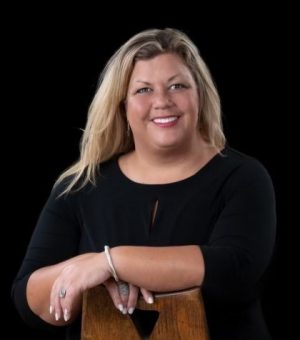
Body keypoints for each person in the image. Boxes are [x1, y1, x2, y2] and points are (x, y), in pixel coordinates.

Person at [12, 28, 276, 340]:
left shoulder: (243, 177)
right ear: (121, 106)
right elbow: (29, 301)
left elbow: (234, 269)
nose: (162, 101)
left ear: (200, 95)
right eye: (143, 90)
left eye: (177, 85)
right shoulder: (82, 185)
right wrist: (84, 268)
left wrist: (111, 263)